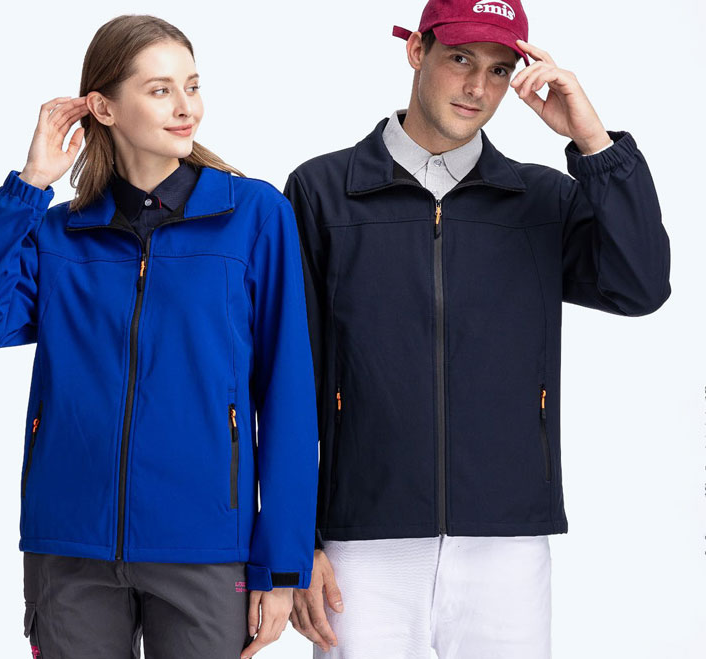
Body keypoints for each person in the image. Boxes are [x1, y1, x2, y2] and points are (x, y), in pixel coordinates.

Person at [284, 1, 671, 657]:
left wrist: (593, 144)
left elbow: (639, 285)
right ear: (417, 51)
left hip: (507, 541)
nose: (477, 87)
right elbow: (290, 376)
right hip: (362, 543)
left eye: (498, 70)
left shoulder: (542, 200)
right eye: (460, 59)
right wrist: (298, 542)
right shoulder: (322, 191)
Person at [0, 14, 318, 659]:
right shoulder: (59, 232)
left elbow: (288, 393)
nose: (185, 107)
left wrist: (281, 567)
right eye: (160, 90)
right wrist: (30, 186)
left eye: (192, 86)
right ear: (104, 108)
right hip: (70, 543)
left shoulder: (254, 215)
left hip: (204, 546)